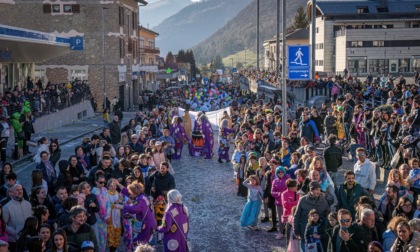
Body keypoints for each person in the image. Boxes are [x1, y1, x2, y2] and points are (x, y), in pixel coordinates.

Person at [294, 181, 329, 252]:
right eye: (316, 190)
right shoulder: (303, 200)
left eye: (319, 189)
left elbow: (327, 215)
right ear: (311, 190)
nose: (319, 192)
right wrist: (296, 231)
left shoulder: (323, 201)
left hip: (319, 234)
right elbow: (297, 216)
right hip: (305, 232)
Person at [2, 184, 33, 251]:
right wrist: (15, 232)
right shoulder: (6, 207)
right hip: (14, 240)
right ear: (12, 192)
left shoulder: (28, 204)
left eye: (21, 189)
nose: (20, 191)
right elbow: (4, 224)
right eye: (17, 190)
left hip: (28, 238)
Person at [91, 175, 110, 252]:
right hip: (99, 216)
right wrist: (105, 216)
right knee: (98, 235)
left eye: (104, 182)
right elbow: (99, 205)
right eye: (100, 182)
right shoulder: (94, 191)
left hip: (107, 215)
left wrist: (108, 214)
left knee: (104, 235)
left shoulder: (105, 189)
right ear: (96, 182)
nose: (103, 184)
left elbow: (108, 202)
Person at [271, 166, 290, 239]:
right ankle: (281, 232)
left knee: (288, 217)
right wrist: (279, 194)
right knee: (280, 218)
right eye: (279, 172)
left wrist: (285, 194)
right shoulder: (275, 181)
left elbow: (291, 189)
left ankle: (289, 232)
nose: (280, 173)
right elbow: (272, 192)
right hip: (279, 202)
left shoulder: (288, 179)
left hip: (287, 202)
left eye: (282, 172)